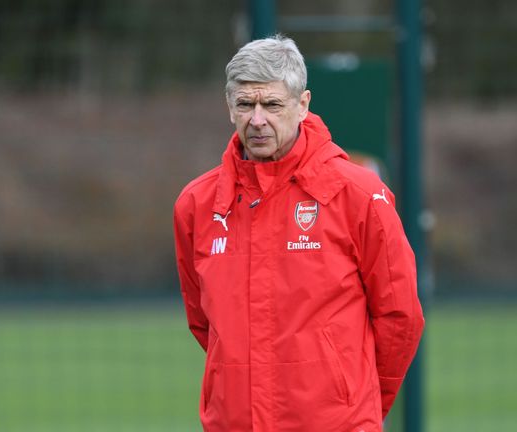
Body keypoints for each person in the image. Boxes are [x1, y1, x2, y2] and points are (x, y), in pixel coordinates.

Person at [173, 35, 424, 432]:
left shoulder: (358, 194)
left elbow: (400, 316)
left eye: (272, 105)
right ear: (229, 107)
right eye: (245, 104)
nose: (257, 120)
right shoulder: (197, 204)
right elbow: (205, 323)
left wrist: (356, 403)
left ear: (303, 105)